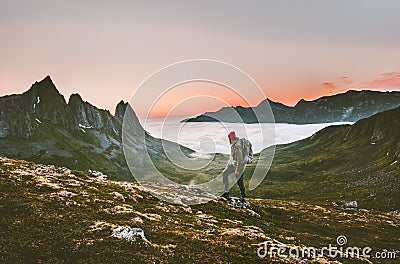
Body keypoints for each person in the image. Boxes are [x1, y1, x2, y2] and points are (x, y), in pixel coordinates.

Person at [221, 131, 253, 202]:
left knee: (240, 182)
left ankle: (244, 197)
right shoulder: (234, 144)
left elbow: (240, 159)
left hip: (239, 167)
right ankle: (226, 192)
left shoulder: (238, 146)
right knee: (225, 174)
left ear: (230, 139)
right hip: (233, 165)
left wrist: (237, 170)